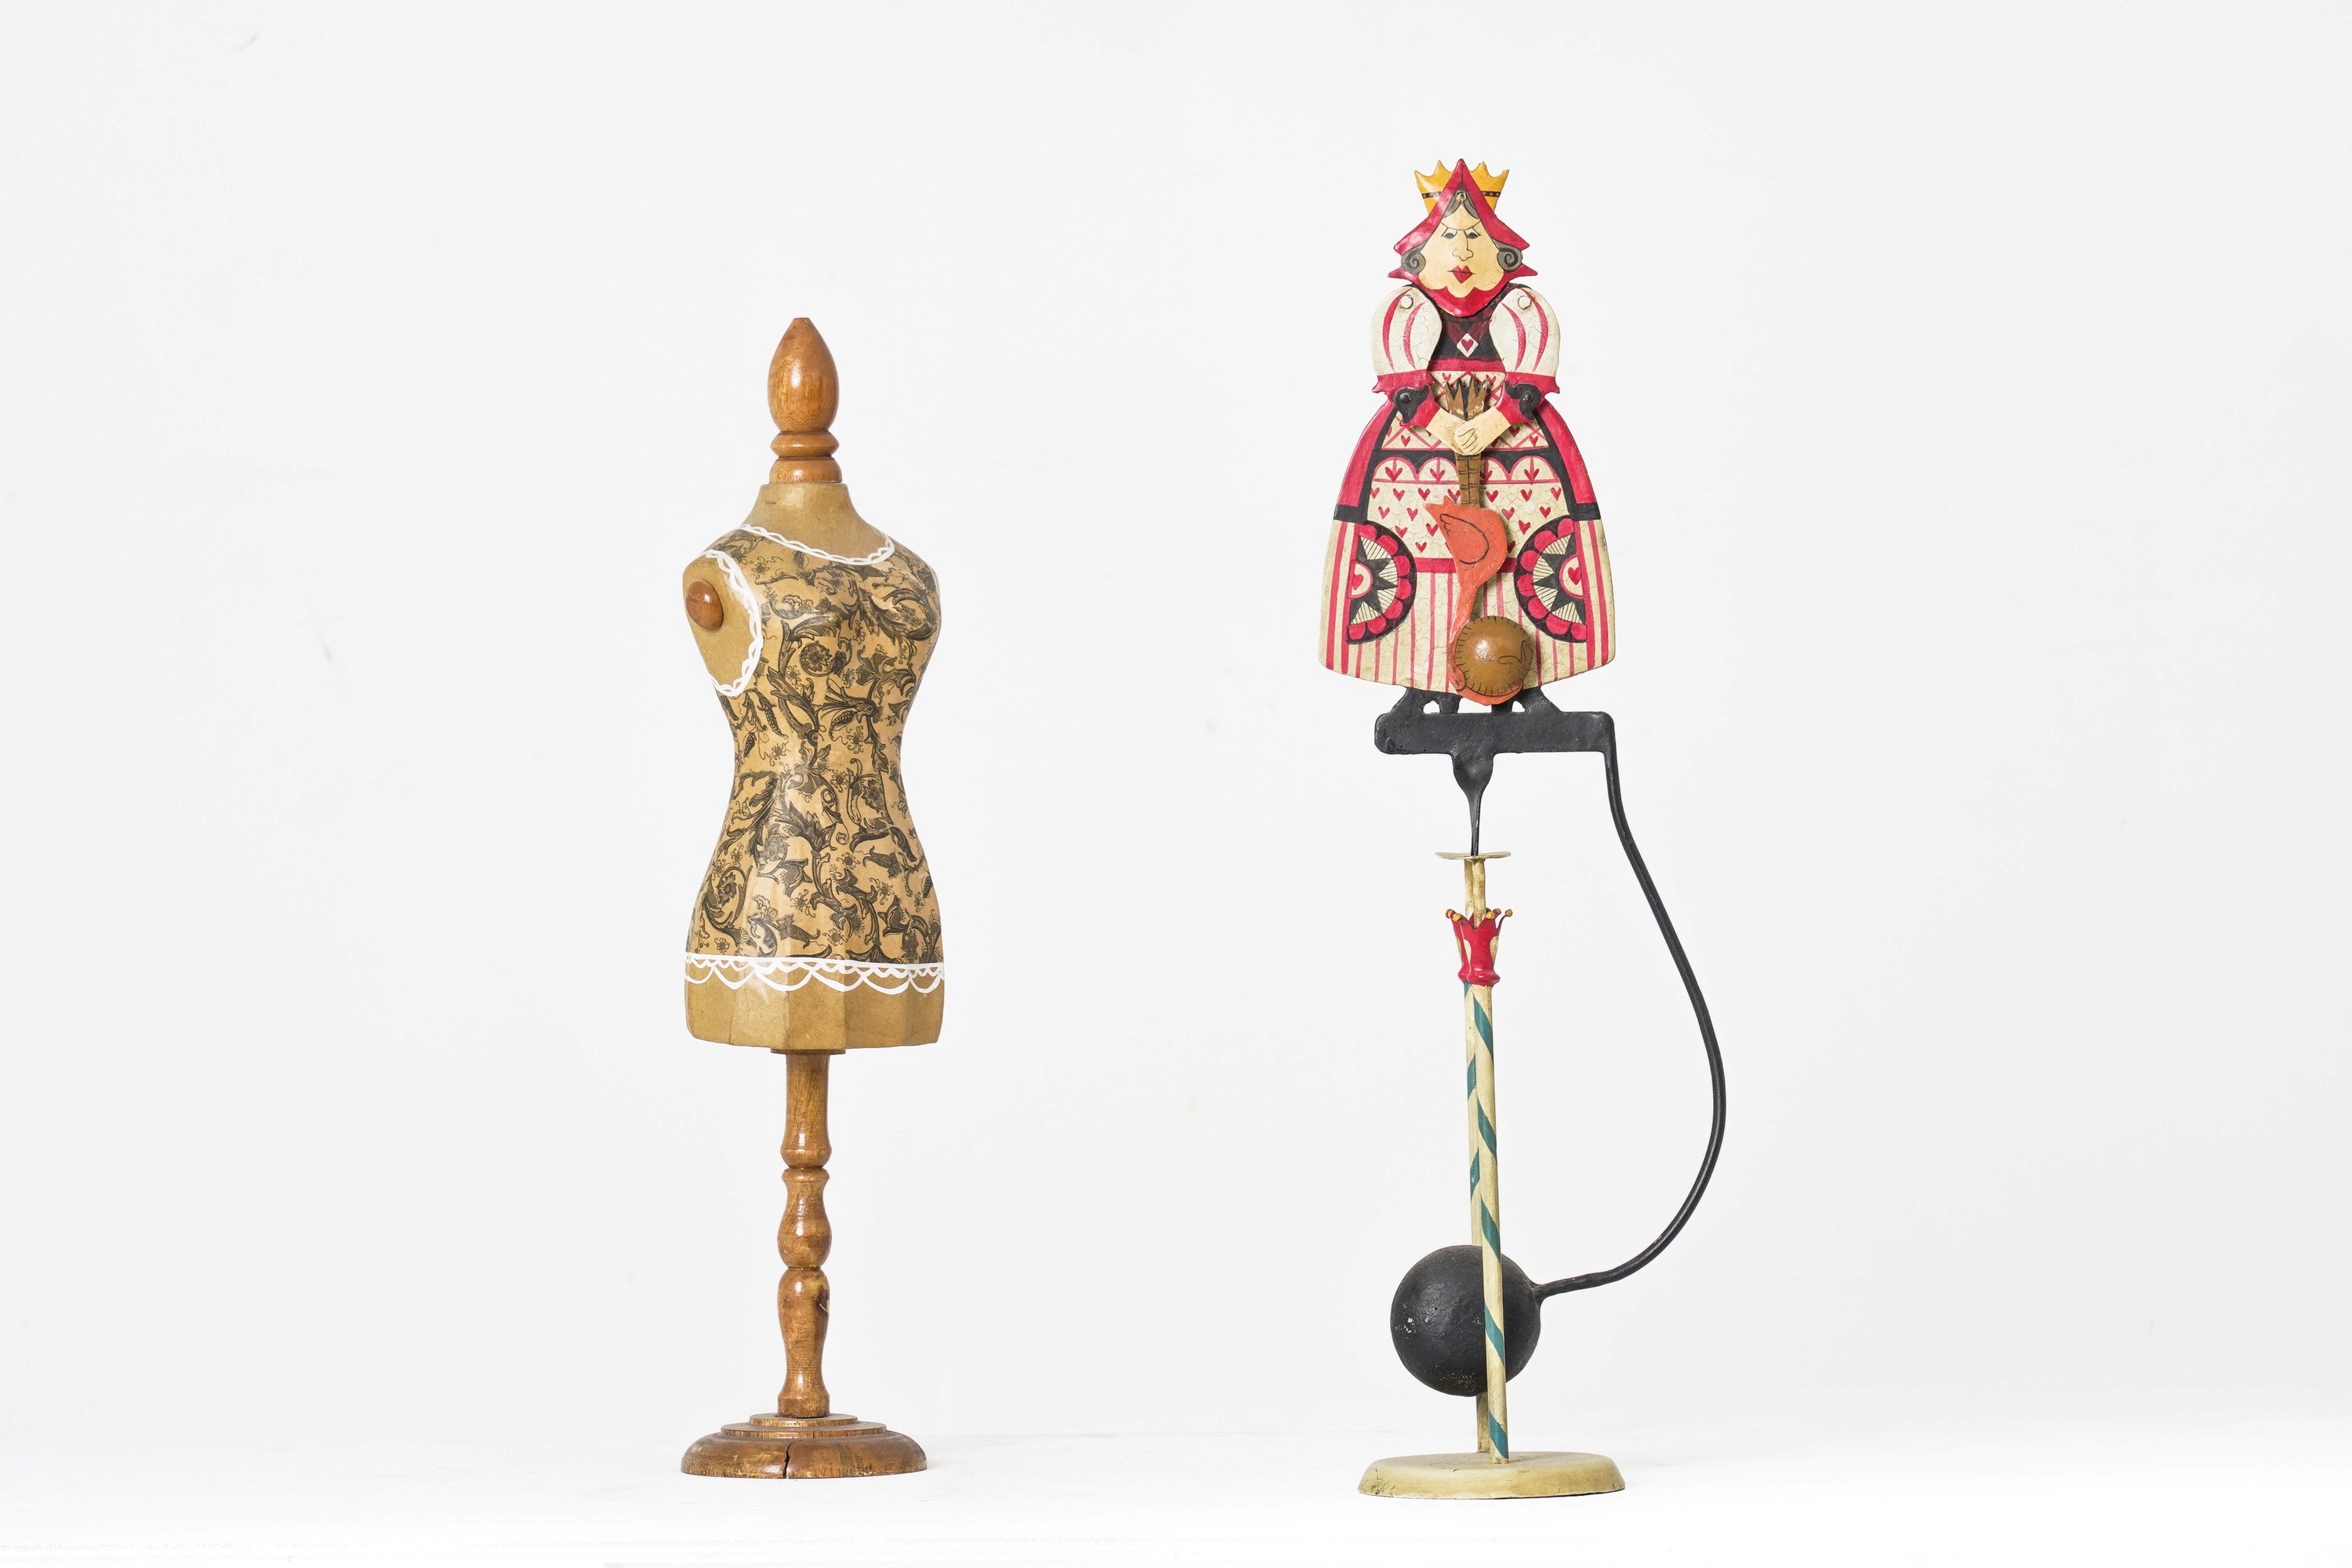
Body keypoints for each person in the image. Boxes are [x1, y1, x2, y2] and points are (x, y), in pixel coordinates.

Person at [1318, 161, 1616, 696]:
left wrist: (1496, 420)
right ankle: (1424, 674)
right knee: (1409, 547)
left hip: (1517, 445)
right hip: (1417, 446)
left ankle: (1522, 668)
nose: (1460, 253)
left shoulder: (1520, 307)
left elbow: (1529, 380)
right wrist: (1440, 423)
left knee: (1529, 546)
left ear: (1500, 248)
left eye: (1474, 237)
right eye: (1449, 237)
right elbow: (1404, 384)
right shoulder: (1406, 309)